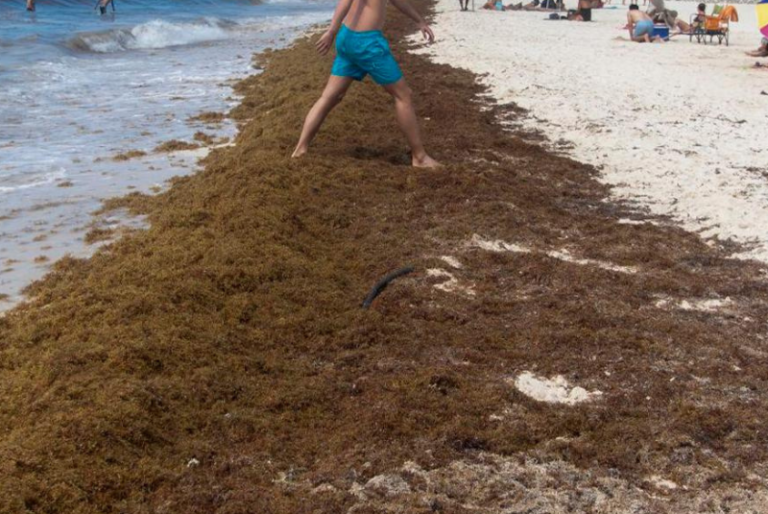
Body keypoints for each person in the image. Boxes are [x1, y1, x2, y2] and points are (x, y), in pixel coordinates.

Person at [292, 0, 439, 168]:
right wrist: (331, 30)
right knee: (403, 95)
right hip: (366, 44)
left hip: (347, 38)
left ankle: (300, 149)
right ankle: (419, 157)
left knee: (330, 97)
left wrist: (419, 20)